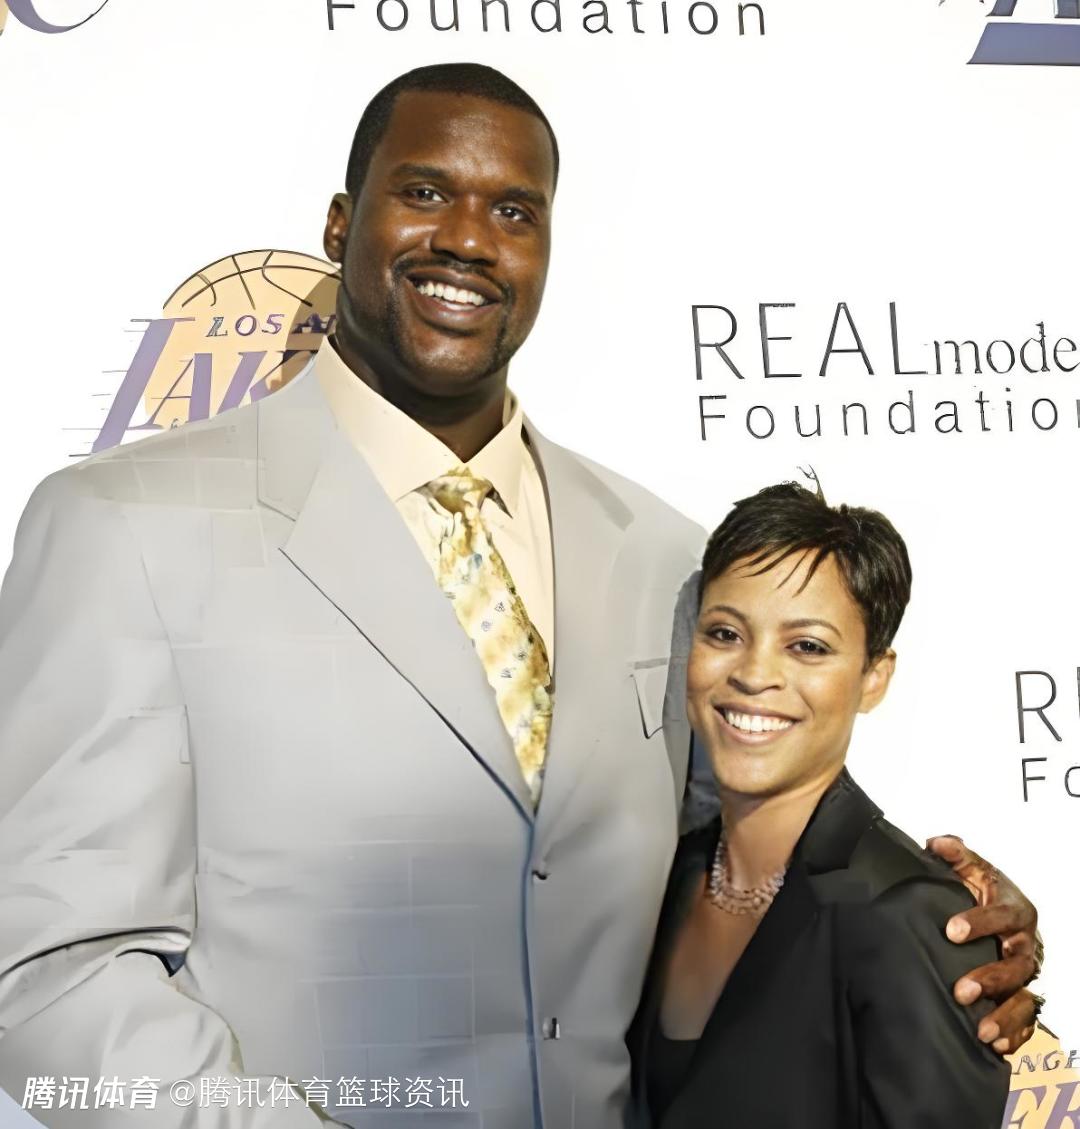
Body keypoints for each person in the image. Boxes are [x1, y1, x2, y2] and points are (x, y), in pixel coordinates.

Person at [0, 64, 1039, 1129]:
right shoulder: (126, 529)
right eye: (424, 192)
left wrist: (938, 923)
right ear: (340, 223)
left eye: (513, 212)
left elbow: (738, 856)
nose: (467, 239)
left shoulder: (662, 555)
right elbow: (48, 975)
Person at [629, 483, 1012, 1128]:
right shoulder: (668, 876)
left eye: (806, 646)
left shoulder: (911, 914)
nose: (754, 674)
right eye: (724, 633)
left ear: (874, 678)